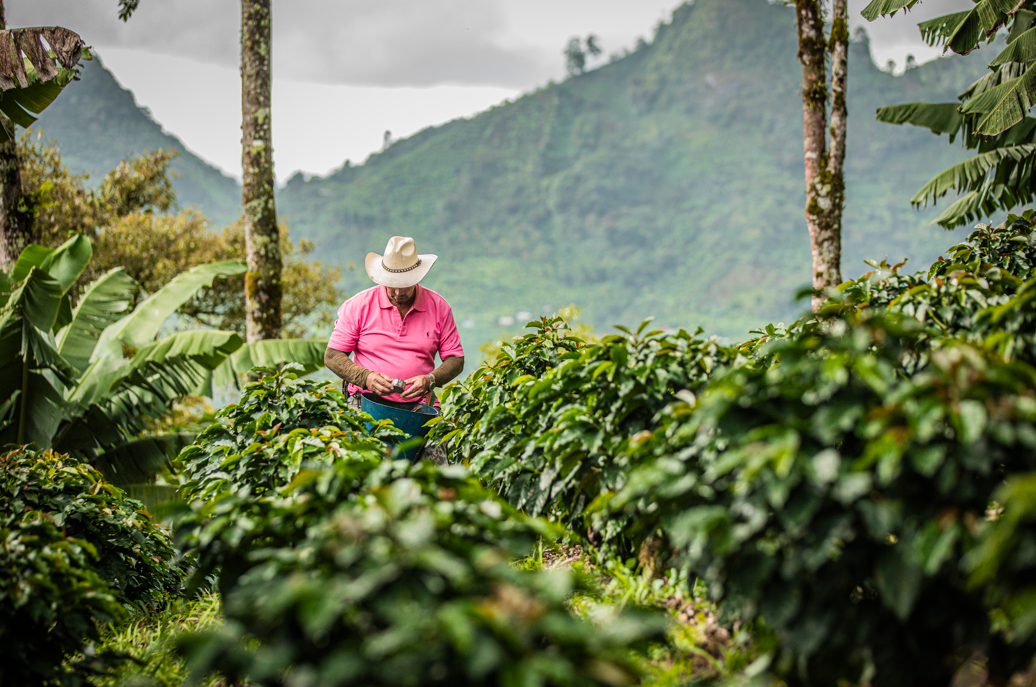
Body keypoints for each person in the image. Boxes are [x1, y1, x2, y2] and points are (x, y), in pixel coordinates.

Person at [324, 236, 465, 411]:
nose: (398, 292)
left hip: (420, 404)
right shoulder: (359, 305)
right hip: (365, 400)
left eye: (404, 285)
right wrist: (366, 378)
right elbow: (332, 356)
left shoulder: (439, 307)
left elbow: (456, 359)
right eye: (391, 284)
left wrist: (430, 380)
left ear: (416, 278)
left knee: (434, 437)